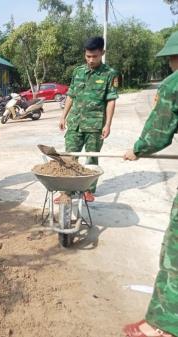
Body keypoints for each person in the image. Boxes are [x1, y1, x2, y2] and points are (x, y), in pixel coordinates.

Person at [123, 31, 178, 337]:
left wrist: (137, 149)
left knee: (175, 257)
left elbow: (158, 133)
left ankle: (164, 328)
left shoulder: (174, 84)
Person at [58, 36, 118, 203]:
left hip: (95, 125)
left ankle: (88, 190)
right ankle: (67, 192)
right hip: (75, 123)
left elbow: (111, 100)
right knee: (69, 157)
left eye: (95, 56)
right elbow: (71, 95)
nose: (91, 60)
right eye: (88, 56)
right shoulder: (78, 72)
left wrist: (108, 124)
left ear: (102, 53)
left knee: (91, 158)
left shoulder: (110, 74)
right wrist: (63, 116)